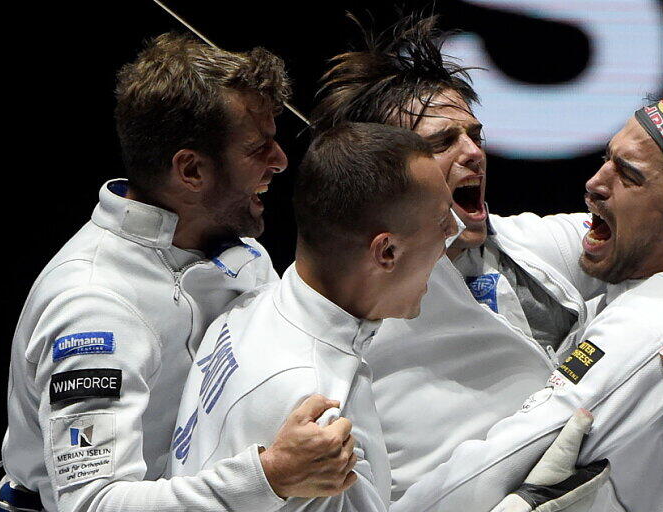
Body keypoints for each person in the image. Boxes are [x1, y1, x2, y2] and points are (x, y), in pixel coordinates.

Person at [310, 15, 663, 499]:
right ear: (379, 173)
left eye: (475, 135)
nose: (475, 153)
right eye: (442, 142)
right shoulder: (332, 310)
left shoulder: (532, 248)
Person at [393, 74, 663, 512]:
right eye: (608, 159)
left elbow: (511, 454)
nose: (593, 183)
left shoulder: (661, 329)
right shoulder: (638, 272)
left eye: (628, 175)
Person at [0, 33, 355, 512]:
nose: (281, 161)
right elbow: (92, 504)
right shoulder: (96, 308)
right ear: (190, 171)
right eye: (257, 148)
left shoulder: (240, 254)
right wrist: (270, 477)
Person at [166, 122, 458, 509]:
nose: (453, 230)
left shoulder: (250, 304)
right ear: (386, 252)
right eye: (441, 221)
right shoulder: (321, 420)